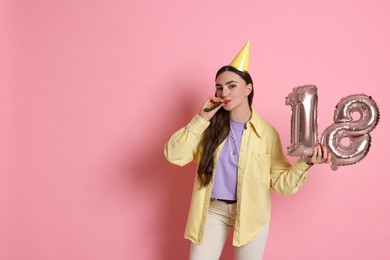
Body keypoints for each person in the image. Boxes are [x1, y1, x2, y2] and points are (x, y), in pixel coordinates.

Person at [163, 41, 332, 260]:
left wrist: (306, 162)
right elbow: (173, 155)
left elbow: (282, 184)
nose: (225, 92)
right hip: (212, 212)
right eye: (219, 87)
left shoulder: (267, 133)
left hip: (252, 213)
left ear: (248, 89)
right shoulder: (207, 127)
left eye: (232, 86)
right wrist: (202, 117)